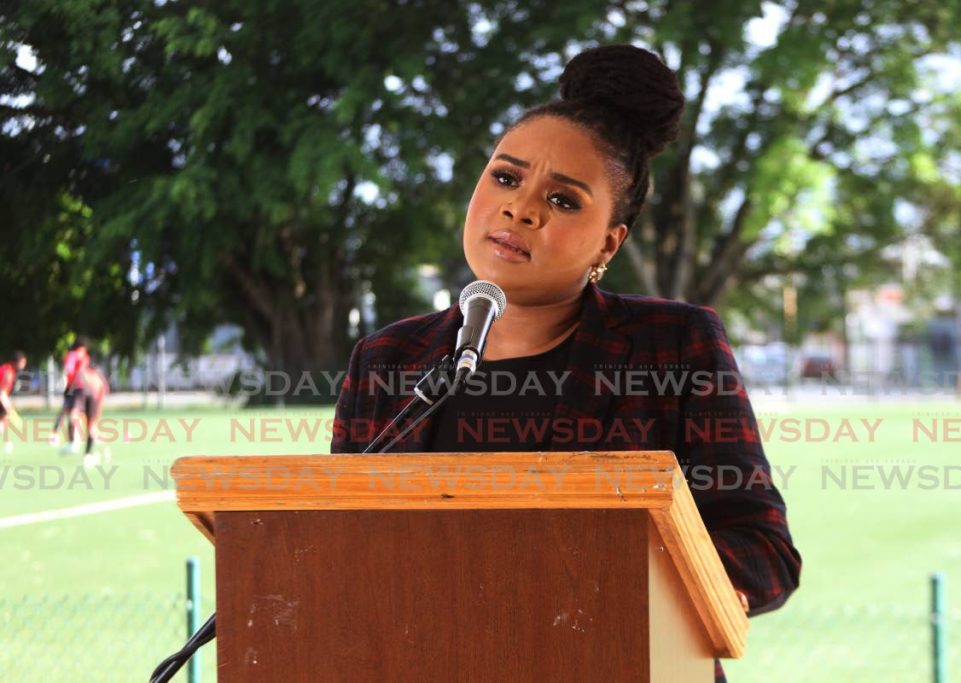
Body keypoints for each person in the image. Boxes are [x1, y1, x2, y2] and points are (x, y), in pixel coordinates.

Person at [331, 44, 800, 681]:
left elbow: (763, 550)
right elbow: (338, 547)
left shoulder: (674, 345)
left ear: (610, 240)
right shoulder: (386, 359)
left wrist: (606, 586)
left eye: (563, 201)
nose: (519, 208)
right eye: (505, 177)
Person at [50, 337, 90, 450]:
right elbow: (80, 372)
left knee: (66, 412)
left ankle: (56, 434)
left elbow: (67, 370)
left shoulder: (69, 355)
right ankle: (74, 440)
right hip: (79, 388)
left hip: (69, 387)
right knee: (75, 414)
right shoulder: (82, 355)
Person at [69, 363, 109, 465]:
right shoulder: (100, 381)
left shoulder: (82, 373)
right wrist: (96, 418)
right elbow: (101, 398)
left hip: (81, 392)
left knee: (75, 415)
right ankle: (87, 454)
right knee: (91, 427)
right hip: (90, 395)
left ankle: (75, 442)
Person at [0, 351, 27, 454]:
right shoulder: (8, 373)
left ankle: (7, 442)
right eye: (23, 362)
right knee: (5, 416)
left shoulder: (7, 369)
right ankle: (7, 442)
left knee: (4, 418)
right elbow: (1, 392)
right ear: (17, 362)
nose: (24, 365)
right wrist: (8, 406)